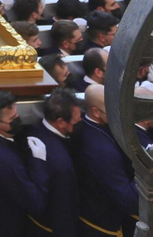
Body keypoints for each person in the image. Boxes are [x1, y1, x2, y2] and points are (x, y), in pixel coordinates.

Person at [0, 90, 47, 237]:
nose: (18, 119)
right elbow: (36, 202)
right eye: (13, 118)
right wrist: (38, 161)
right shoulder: (5, 162)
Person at [70, 86, 138, 237]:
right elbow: (128, 200)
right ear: (95, 112)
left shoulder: (91, 126)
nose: (118, 114)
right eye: (112, 109)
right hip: (102, 223)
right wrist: (146, 170)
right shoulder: (101, 152)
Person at [24, 89, 81, 237]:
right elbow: (64, 208)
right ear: (61, 122)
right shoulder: (61, 164)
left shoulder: (33, 129)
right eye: (75, 120)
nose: (80, 121)